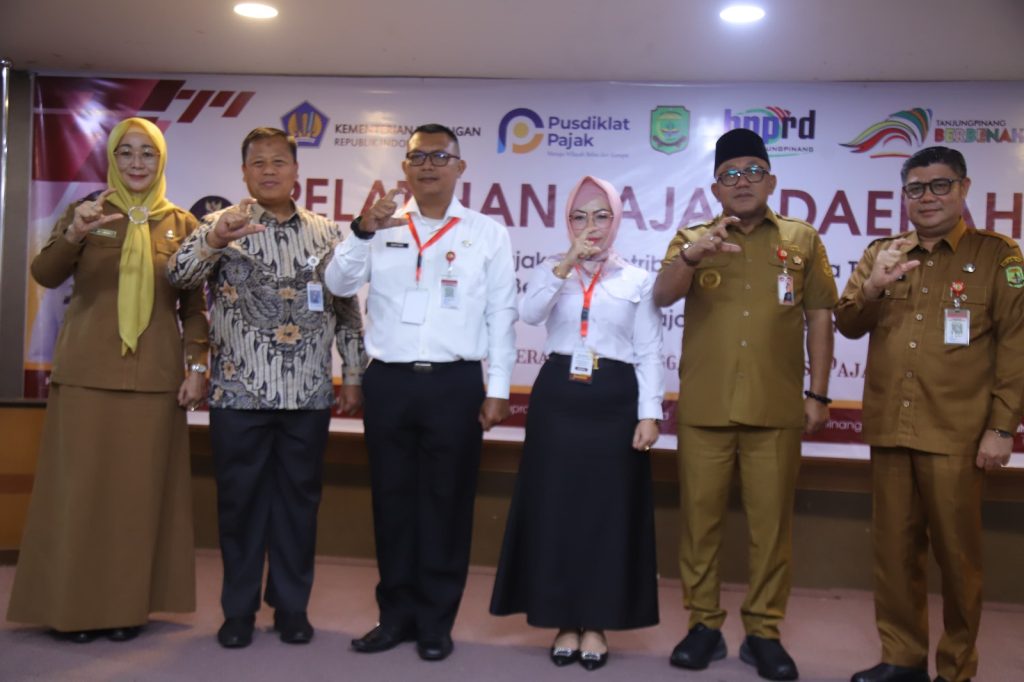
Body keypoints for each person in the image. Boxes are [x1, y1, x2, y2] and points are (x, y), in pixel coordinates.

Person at [7, 117, 208, 642]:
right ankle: (73, 610)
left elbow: (194, 307)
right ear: (112, 159)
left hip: (155, 381)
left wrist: (196, 367)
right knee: (80, 497)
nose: (137, 163)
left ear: (161, 160)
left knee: (137, 501)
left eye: (148, 153)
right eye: (126, 152)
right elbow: (45, 274)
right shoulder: (87, 212)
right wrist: (74, 234)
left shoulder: (182, 223)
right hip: (86, 376)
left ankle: (125, 610)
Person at [167, 127, 367, 649]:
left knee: (299, 506)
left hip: (308, 394)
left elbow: (346, 306)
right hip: (239, 393)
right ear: (244, 173)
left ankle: (292, 607)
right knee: (239, 506)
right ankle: (238, 611)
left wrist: (353, 373)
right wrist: (214, 240)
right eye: (258, 163)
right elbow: (179, 277)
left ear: (297, 171)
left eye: (279, 162)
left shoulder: (326, 232)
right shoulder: (220, 224)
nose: (270, 170)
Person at [324, 123, 517, 662]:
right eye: (418, 157)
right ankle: (394, 617)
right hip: (390, 381)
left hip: (456, 383)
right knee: (391, 502)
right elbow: (338, 284)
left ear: (460, 167)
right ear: (405, 168)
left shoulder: (486, 233)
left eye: (440, 156)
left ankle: (435, 622)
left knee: (446, 504)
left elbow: (502, 312)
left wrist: (498, 386)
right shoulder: (380, 225)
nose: (428, 165)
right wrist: (362, 231)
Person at [653, 128, 838, 681]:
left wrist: (818, 393)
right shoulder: (693, 237)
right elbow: (662, 295)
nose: (742, 182)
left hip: (775, 409)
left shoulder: (802, 240)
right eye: (729, 174)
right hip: (706, 407)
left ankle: (764, 631)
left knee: (771, 529)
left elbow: (820, 317)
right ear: (715, 188)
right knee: (699, 525)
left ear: (771, 181)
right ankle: (703, 625)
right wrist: (693, 255)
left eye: (753, 171)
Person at [837, 147, 1024, 682]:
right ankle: (902, 659)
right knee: (894, 553)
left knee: (958, 559)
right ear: (905, 196)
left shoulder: (998, 256)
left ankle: (957, 666)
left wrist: (1002, 427)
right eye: (916, 188)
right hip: (891, 429)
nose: (928, 197)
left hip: (957, 434)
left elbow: (1016, 346)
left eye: (940, 185)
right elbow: (848, 321)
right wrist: (874, 286)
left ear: (963, 189)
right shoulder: (883, 252)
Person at [489, 176, 662, 671]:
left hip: (614, 401)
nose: (592, 226)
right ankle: (563, 619)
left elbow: (649, 350)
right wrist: (564, 264)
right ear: (567, 222)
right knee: (557, 510)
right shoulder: (551, 270)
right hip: (559, 400)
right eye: (580, 216)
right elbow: (528, 314)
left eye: (602, 215)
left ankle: (597, 623)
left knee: (607, 515)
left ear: (617, 220)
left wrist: (649, 413)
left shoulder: (637, 279)